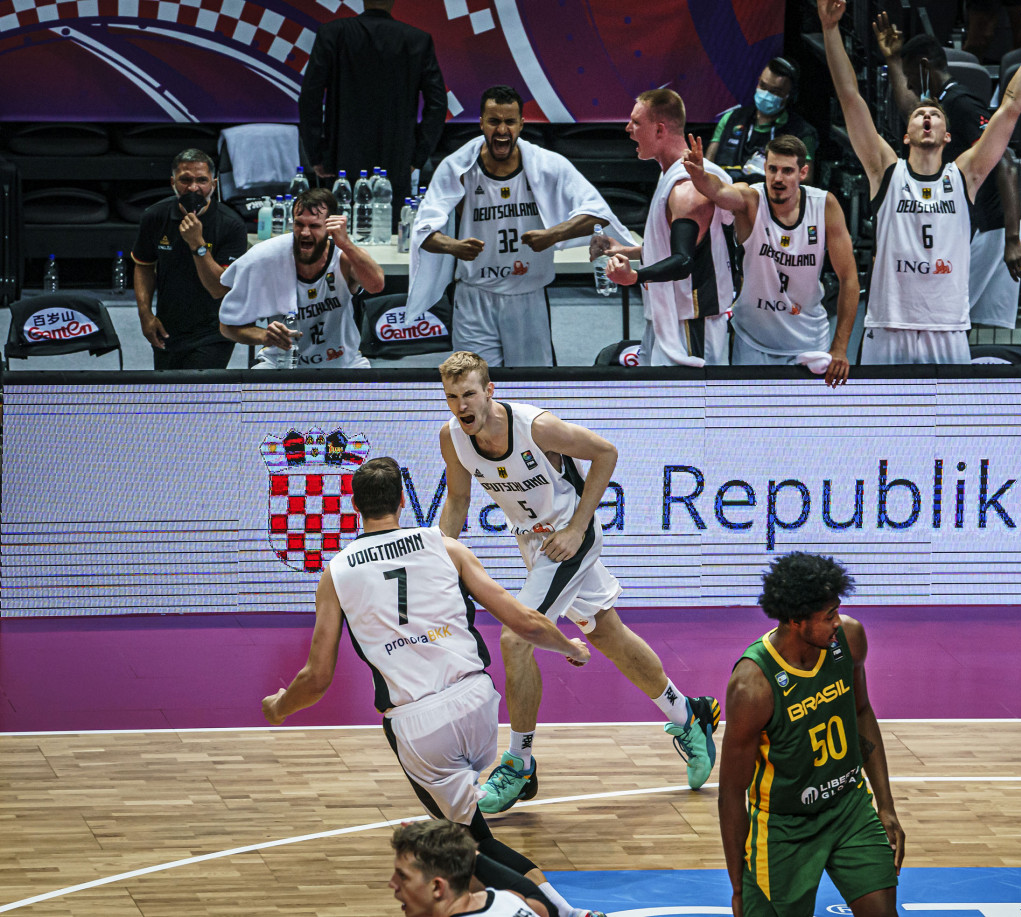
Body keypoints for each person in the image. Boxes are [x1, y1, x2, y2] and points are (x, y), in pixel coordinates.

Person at [261, 456, 601, 917]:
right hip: (478, 702)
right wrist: (570, 647)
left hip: (420, 725)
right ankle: (555, 906)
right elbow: (521, 619)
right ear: (403, 500)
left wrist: (280, 707)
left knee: (466, 848)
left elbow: (316, 678)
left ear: (355, 507)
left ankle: (565, 914)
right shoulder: (443, 544)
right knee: (471, 836)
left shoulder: (337, 572)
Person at [436, 351, 720, 811]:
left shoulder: (536, 427)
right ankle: (688, 715)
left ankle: (519, 763)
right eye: (452, 397)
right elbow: (458, 497)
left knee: (516, 637)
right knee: (608, 633)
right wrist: (439, 555)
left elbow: (605, 453)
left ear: (490, 391)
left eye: (469, 393)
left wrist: (577, 526)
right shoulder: (453, 437)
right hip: (535, 546)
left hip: (570, 538)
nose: (461, 405)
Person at [819, 0, 1021, 364]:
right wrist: (830, 29)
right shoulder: (886, 171)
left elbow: (1010, 106)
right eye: (918, 114)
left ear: (948, 136)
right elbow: (850, 97)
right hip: (888, 327)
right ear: (905, 134)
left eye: (934, 114)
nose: (926, 117)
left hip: (946, 328)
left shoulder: (964, 175)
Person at [718, 552, 903, 917]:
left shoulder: (849, 638)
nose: (838, 622)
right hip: (786, 826)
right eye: (828, 615)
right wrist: (738, 887)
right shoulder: (753, 687)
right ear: (796, 620)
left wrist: (886, 806)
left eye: (837, 610)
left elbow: (862, 711)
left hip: (848, 807)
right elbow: (731, 792)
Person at [408, 85, 634, 366]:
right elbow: (422, 230)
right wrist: (453, 246)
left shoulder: (546, 164)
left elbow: (599, 214)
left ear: (521, 124)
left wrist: (554, 234)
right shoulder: (458, 168)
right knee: (475, 385)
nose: (502, 130)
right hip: (475, 295)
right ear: (481, 124)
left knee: (532, 387)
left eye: (509, 121)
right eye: (494, 121)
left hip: (528, 295)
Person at [872, 14, 1021, 329]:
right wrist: (892, 59)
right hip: (971, 222)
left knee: (945, 311)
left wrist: (1013, 238)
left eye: (911, 76)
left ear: (925, 66)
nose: (911, 85)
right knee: (951, 313)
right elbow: (908, 108)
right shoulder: (940, 104)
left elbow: (1008, 164)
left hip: (992, 227)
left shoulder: (961, 104)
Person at [681, 133, 858, 385]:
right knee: (752, 421)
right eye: (772, 169)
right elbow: (719, 190)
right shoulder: (751, 199)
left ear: (803, 172)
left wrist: (840, 348)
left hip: (808, 341)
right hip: (752, 342)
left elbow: (849, 278)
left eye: (787, 171)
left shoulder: (824, 205)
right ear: (764, 168)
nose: (778, 178)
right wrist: (699, 174)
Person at [595, 89, 737, 367]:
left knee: (689, 407)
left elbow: (683, 261)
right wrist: (627, 250)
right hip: (668, 315)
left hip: (691, 322)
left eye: (636, 122)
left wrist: (635, 277)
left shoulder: (687, 187)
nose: (628, 129)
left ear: (659, 129)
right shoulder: (674, 173)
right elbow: (680, 246)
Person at [298, 0, 447, 208]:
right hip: (396, 158)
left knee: (340, 232)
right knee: (391, 234)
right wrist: (417, 156)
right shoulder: (416, 40)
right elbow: (438, 104)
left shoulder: (333, 33)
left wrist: (317, 154)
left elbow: (310, 97)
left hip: (341, 157)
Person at [218, 188, 384, 368]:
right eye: (299, 224)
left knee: (369, 392)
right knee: (254, 390)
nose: (305, 233)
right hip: (281, 361)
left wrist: (346, 244)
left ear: (330, 228)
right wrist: (264, 336)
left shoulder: (344, 257)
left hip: (343, 362)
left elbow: (376, 285)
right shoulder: (267, 259)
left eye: (314, 226)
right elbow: (227, 327)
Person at [131, 149, 246, 369]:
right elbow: (143, 266)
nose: (193, 188)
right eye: (185, 180)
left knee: (198, 395)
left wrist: (197, 244)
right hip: (168, 328)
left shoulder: (232, 225)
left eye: (201, 180)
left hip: (215, 330)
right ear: (173, 182)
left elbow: (219, 288)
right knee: (168, 397)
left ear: (213, 184)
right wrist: (145, 315)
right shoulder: (155, 216)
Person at [389, 820, 547, 917]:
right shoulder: (509, 898)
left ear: (437, 887)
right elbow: (545, 906)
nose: (392, 884)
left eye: (403, 876)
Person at [706, 57, 820, 182]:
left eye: (775, 91)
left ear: (790, 95)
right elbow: (708, 164)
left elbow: (806, 179)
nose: (766, 94)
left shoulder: (802, 133)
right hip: (725, 194)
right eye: (763, 86)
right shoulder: (732, 118)